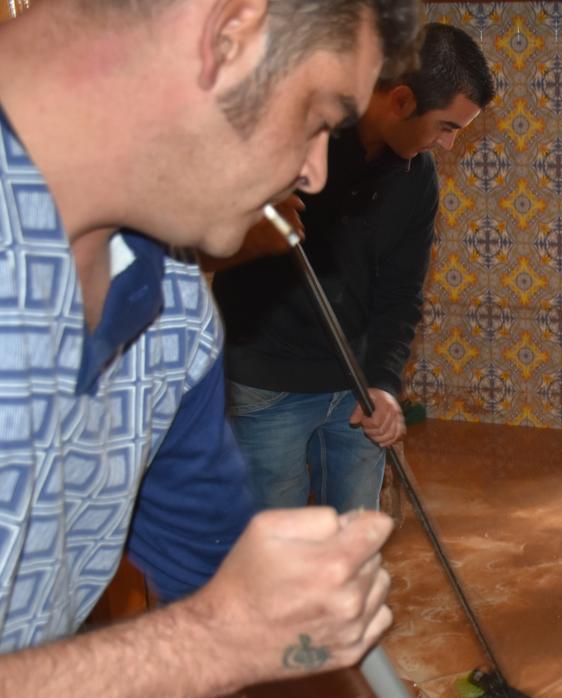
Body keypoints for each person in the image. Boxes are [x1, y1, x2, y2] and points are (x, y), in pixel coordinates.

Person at [0, 0, 420, 694]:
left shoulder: (171, 310)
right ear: (231, 30)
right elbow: (224, 631)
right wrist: (206, 645)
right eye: (318, 117)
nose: (315, 172)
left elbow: (226, 584)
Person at [211, 23, 495, 513]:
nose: (447, 145)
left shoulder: (417, 179)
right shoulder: (288, 140)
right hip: (266, 386)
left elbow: (402, 293)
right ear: (401, 101)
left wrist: (384, 383)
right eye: (447, 127)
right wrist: (245, 233)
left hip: (356, 389)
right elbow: (191, 246)